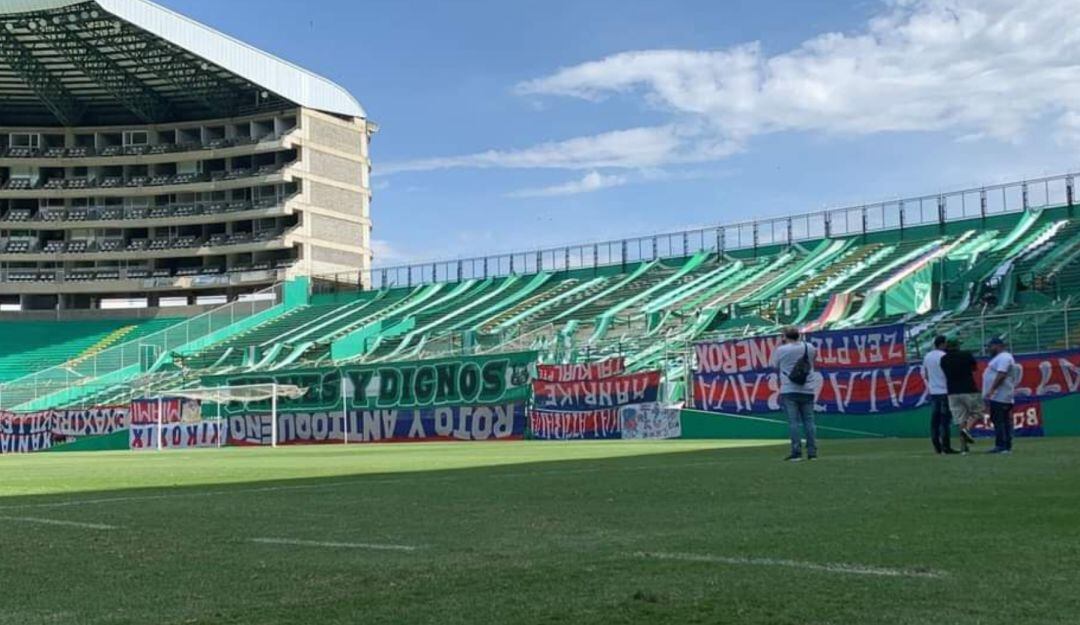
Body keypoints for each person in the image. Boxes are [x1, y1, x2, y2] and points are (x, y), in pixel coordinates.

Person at [769, 327, 822, 462]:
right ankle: (812, 453)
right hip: (808, 388)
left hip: (789, 388)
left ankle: (796, 452)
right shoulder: (809, 347)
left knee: (793, 423)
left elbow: (773, 364)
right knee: (809, 422)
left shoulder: (782, 350)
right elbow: (813, 360)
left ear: (785, 337)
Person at [940, 338, 981, 454]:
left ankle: (964, 448)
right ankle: (966, 430)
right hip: (969, 389)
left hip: (952, 392)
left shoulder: (944, 359)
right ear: (958, 345)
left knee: (960, 419)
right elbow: (974, 368)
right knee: (978, 413)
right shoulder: (966, 355)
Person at [983, 338, 1020, 454]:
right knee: (1001, 420)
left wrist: (992, 389)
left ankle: (1002, 445)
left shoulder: (1004, 357)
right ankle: (1005, 445)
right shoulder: (1000, 358)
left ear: (998, 346)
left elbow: (1002, 374)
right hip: (999, 394)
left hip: (1000, 394)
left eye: (990, 346)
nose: (989, 349)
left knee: (1000, 420)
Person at [923, 335, 958, 454]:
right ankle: (946, 446)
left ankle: (936, 446)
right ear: (943, 344)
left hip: (934, 392)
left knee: (935, 421)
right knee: (945, 421)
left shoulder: (927, 356)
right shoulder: (944, 356)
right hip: (945, 391)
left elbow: (926, 374)